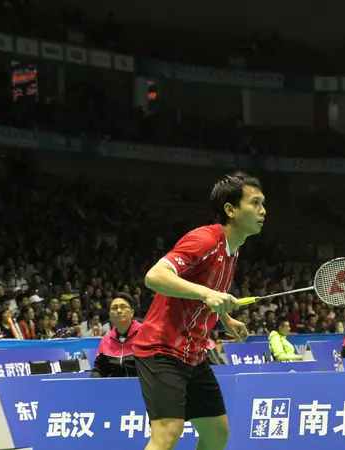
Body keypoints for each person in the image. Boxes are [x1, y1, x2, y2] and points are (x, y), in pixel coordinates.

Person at [133, 172, 263, 450]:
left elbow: (205, 295)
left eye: (263, 204)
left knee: (217, 433)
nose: (263, 211)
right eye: (255, 203)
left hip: (193, 353)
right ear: (230, 210)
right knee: (168, 431)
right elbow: (155, 276)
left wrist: (225, 319)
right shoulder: (205, 239)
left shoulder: (232, 250)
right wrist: (207, 293)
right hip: (162, 348)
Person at [92, 293, 141, 378]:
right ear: (110, 315)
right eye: (114, 308)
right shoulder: (106, 341)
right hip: (114, 388)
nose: (118, 311)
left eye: (123, 307)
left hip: (142, 388)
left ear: (132, 312)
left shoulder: (145, 334)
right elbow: (99, 369)